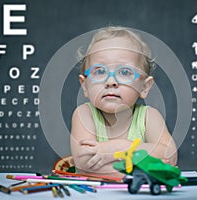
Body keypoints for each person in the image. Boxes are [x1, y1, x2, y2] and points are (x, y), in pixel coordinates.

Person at [70, 26, 177, 177]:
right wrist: (143, 167)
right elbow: (86, 164)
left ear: (144, 87)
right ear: (85, 85)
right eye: (100, 71)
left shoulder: (149, 117)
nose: (111, 81)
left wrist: (116, 149)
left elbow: (168, 156)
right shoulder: (84, 114)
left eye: (125, 72)